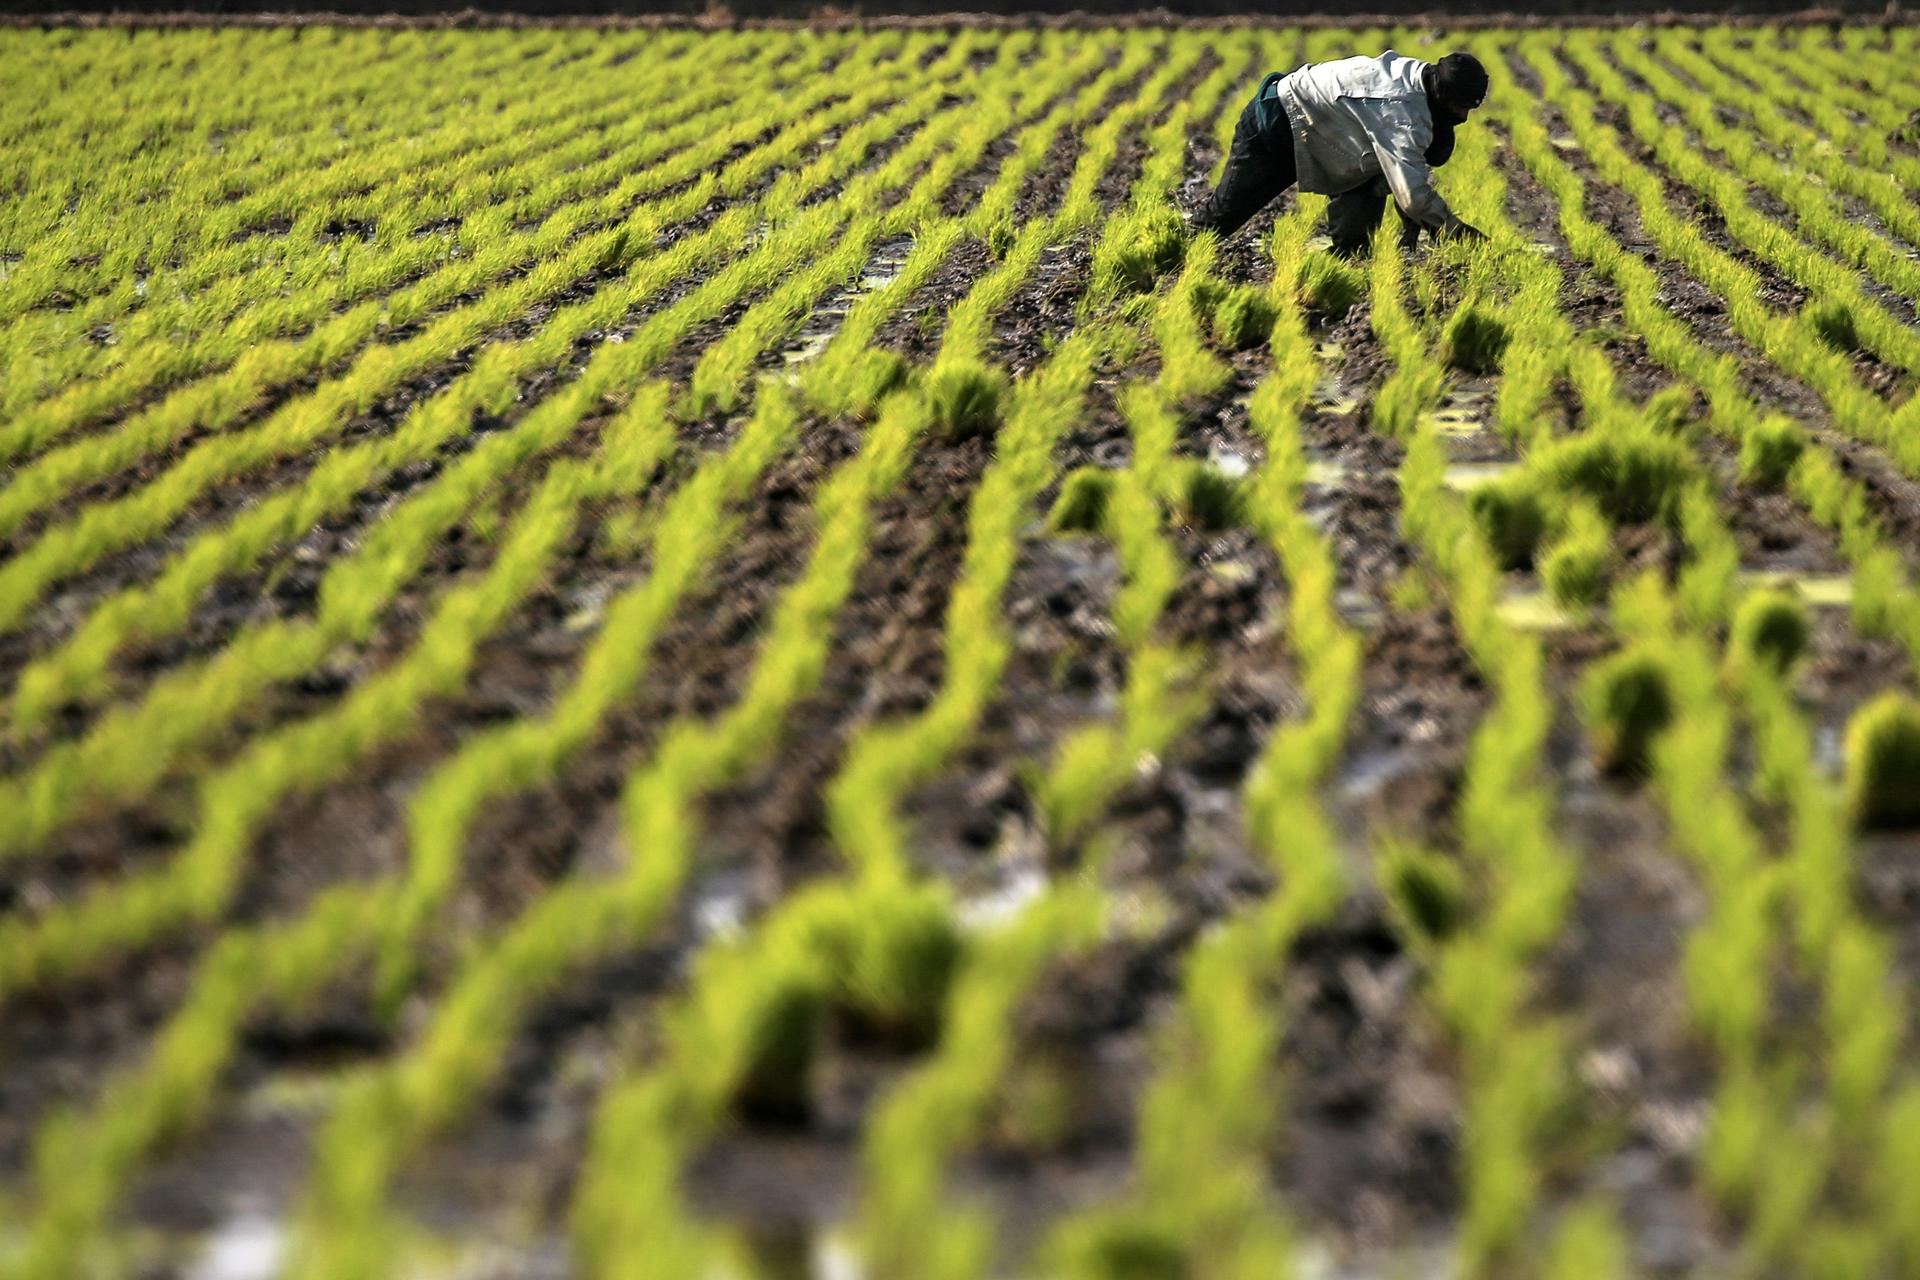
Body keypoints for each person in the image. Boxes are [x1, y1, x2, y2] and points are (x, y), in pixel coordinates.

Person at [1187, 49, 1490, 257]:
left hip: (1334, 136)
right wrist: (1457, 232)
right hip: (1278, 123)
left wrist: (1414, 224)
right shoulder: (1400, 113)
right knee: (1215, 226)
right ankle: (1167, 254)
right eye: (1462, 106)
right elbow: (1411, 195)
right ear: (1444, 96)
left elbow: (1403, 174)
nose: (1464, 116)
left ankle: (1325, 273)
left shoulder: (1421, 78)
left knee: (1356, 248)